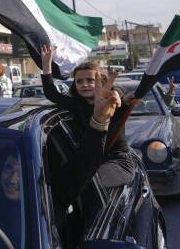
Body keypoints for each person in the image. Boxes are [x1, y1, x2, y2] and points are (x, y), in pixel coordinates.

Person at [38, 44, 135, 203]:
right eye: (79, 81)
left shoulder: (112, 98)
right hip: (88, 163)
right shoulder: (77, 104)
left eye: (90, 80)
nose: (84, 84)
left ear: (102, 81)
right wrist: (46, 63)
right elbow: (51, 93)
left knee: (90, 186)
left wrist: (120, 99)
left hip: (117, 160)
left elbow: (121, 101)